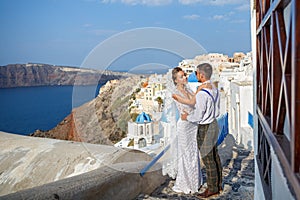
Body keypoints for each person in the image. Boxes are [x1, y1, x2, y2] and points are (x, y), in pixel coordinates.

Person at [181, 63, 222, 198]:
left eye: (197, 73)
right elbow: (217, 109)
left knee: (207, 158)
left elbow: (198, 115)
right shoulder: (214, 88)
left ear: (202, 75)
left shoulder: (202, 94)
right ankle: (218, 184)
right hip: (214, 123)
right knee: (214, 156)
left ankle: (212, 189)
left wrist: (187, 117)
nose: (195, 75)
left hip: (205, 127)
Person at [168, 67, 203, 194]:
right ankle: (186, 183)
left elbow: (195, 103)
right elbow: (191, 102)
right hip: (183, 127)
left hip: (192, 124)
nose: (185, 78)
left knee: (193, 153)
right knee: (186, 155)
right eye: (181, 77)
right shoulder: (175, 94)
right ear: (176, 81)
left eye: (184, 75)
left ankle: (195, 182)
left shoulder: (188, 89)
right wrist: (200, 90)